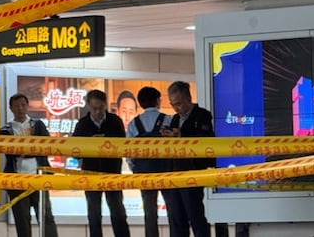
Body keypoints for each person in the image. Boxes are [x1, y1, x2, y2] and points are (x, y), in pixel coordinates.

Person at [72, 89, 130, 237]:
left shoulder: (115, 121)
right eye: (94, 108)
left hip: (112, 172)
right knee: (94, 214)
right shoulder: (82, 124)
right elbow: (74, 151)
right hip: (90, 173)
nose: (98, 111)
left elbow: (123, 146)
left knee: (118, 212)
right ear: (88, 106)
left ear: (105, 105)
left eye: (100, 108)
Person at [0, 93, 58, 237]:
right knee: (22, 219)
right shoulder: (5, 129)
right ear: (11, 108)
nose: (20, 108)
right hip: (16, 179)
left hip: (38, 177)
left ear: (27, 106)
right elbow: (7, 151)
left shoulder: (37, 124)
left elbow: (48, 145)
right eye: (16, 105)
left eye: (23, 105)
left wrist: (27, 150)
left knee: (46, 217)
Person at [161, 81, 213, 237]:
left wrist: (182, 136)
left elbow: (205, 140)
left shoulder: (202, 115)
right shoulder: (175, 119)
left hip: (193, 172)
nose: (176, 108)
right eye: (173, 104)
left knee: (195, 215)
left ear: (188, 98)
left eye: (179, 103)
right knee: (176, 217)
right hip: (175, 172)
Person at [126, 86, 171, 237]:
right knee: (173, 210)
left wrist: (135, 168)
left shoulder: (134, 124)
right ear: (158, 101)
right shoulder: (168, 120)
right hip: (167, 172)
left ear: (140, 103)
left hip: (143, 173)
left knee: (150, 213)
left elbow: (129, 152)